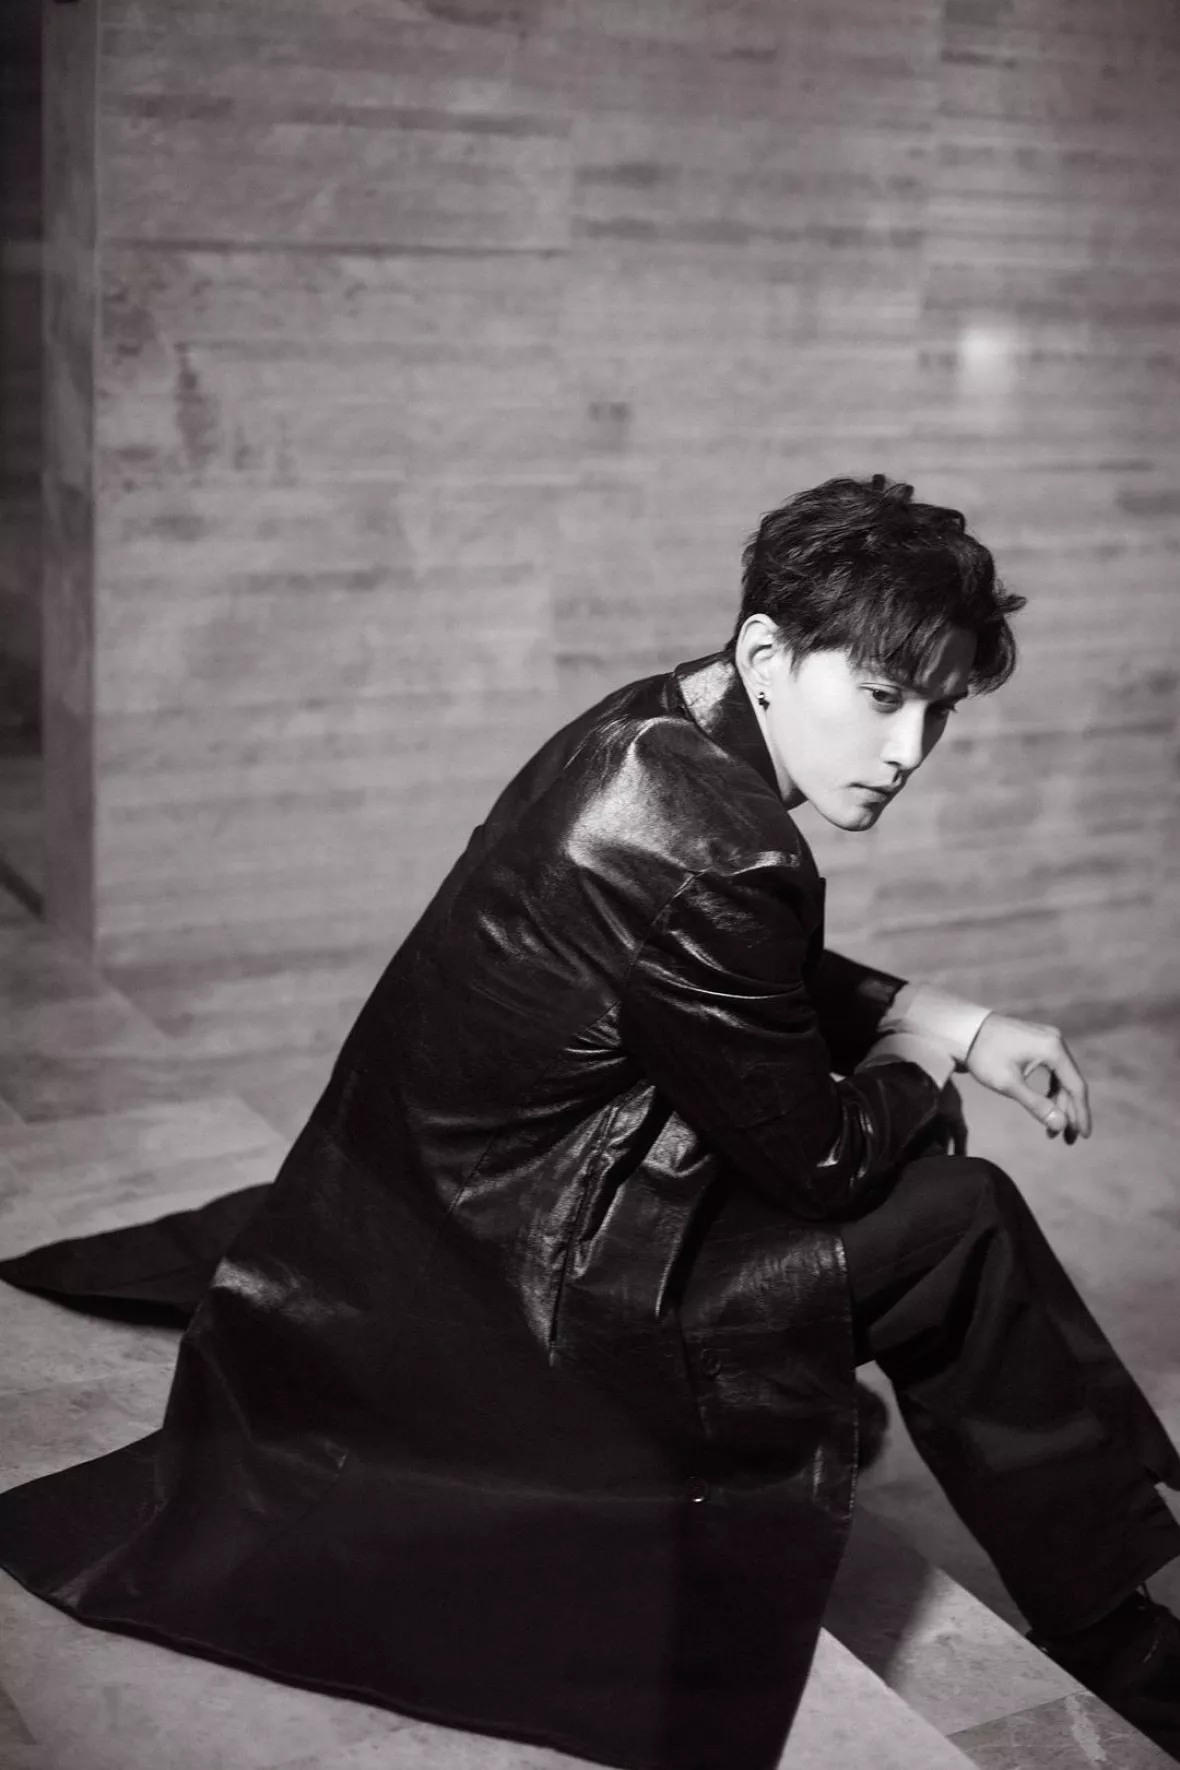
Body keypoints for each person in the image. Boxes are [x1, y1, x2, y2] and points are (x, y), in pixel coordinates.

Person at [1, 473, 1179, 1770]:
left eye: (939, 709)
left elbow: (717, 961)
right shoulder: (722, 847)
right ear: (767, 656)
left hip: (443, 1223)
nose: (909, 748)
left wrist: (943, 1012)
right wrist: (924, 1058)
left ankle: (1075, 1530)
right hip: (522, 1305)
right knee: (957, 1216)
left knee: (908, 1166)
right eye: (885, 695)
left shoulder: (650, 729)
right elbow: (825, 1156)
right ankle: (1117, 1632)